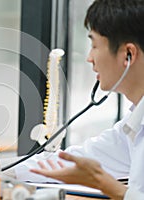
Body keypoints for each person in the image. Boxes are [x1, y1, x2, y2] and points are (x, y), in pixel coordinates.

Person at [27, 0, 144, 199]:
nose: (89, 58)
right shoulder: (134, 123)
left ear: (128, 54)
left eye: (94, 45)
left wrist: (103, 183)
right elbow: (75, 159)